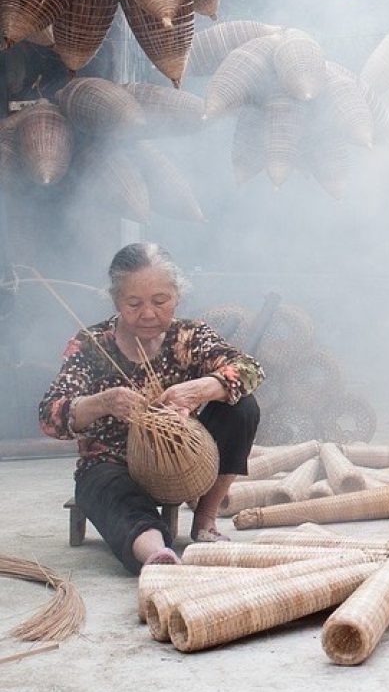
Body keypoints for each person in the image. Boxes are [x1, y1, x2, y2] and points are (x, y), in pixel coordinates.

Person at [39, 243, 264, 572]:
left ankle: (205, 519)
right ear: (117, 301)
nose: (148, 313)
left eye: (160, 301)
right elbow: (49, 415)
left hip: (181, 458)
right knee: (111, 492)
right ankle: (156, 553)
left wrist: (199, 389)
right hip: (113, 463)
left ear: (177, 296)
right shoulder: (91, 344)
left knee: (242, 406)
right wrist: (101, 403)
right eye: (134, 303)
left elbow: (249, 370)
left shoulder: (188, 336)